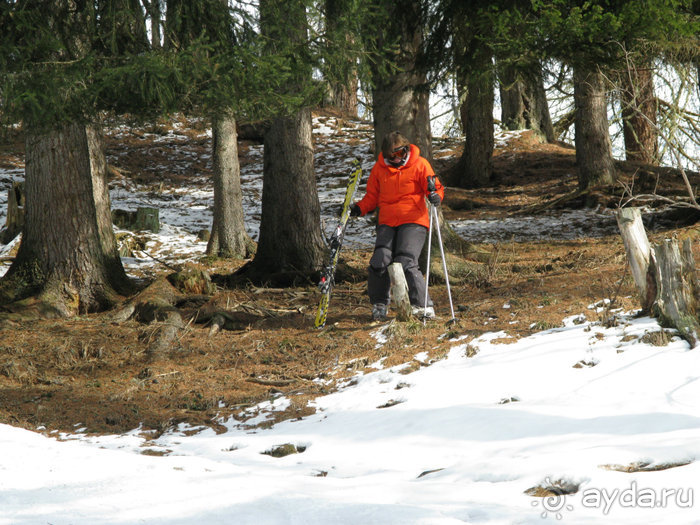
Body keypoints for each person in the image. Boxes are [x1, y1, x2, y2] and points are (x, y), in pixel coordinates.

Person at [350, 131, 444, 321]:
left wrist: (436, 196)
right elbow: (372, 196)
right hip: (387, 222)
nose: (396, 160)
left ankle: (422, 305)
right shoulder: (379, 169)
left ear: (406, 149)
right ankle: (379, 303)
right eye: (391, 156)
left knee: (406, 260)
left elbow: (435, 187)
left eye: (399, 154)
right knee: (380, 259)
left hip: (413, 221)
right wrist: (360, 208)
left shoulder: (419, 164)